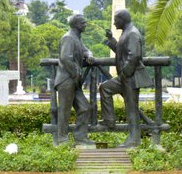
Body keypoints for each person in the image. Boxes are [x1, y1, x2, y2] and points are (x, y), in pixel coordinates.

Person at [100, 9, 152, 147]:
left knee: (131, 108)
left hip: (130, 77)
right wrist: (111, 39)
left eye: (116, 20)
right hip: (125, 77)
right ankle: (109, 120)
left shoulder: (132, 33)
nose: (114, 23)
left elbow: (134, 56)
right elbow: (121, 51)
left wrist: (125, 73)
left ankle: (134, 139)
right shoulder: (127, 32)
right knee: (105, 88)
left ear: (123, 19)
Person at [54, 14, 95, 146]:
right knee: (64, 110)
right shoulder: (68, 38)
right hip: (66, 79)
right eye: (83, 23)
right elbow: (65, 58)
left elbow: (85, 50)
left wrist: (89, 55)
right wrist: (77, 72)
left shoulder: (76, 38)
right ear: (76, 25)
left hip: (74, 81)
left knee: (84, 108)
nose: (85, 25)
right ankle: (62, 139)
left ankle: (80, 137)